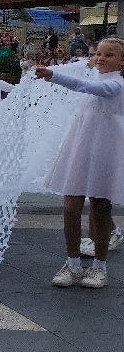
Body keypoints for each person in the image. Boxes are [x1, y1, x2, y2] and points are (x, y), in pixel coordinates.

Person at [35, 36, 123, 290]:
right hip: (81, 146)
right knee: (70, 206)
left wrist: (53, 75)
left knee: (100, 206)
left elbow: (86, 87)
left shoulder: (116, 84)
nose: (101, 58)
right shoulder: (95, 75)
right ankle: (72, 263)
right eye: (98, 54)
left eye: (109, 55)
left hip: (105, 149)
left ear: (122, 62)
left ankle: (99, 266)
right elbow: (85, 78)